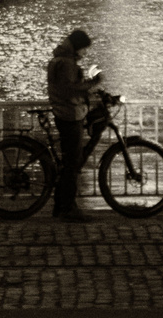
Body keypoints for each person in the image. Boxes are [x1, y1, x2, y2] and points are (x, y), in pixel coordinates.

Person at [46, 28, 103, 221]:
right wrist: (93, 83)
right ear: (78, 47)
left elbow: (68, 87)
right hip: (70, 115)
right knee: (72, 164)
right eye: (84, 49)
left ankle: (61, 205)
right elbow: (71, 90)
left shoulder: (60, 60)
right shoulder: (67, 63)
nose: (85, 53)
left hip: (65, 112)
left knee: (70, 163)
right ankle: (67, 209)